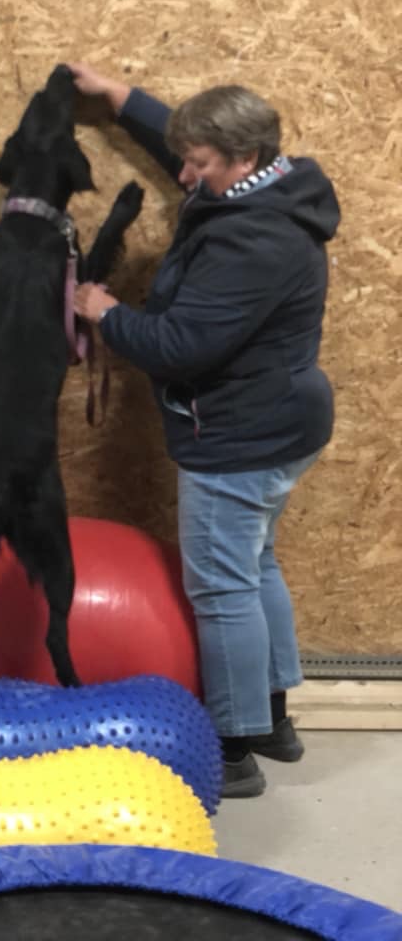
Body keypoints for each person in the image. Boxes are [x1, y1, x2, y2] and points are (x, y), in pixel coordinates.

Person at [69, 63, 340, 798]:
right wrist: (121, 98)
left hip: (240, 436)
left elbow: (179, 346)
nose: (185, 176)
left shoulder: (252, 241)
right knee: (255, 568)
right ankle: (273, 723)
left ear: (243, 159)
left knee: (223, 591)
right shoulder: (272, 184)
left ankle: (232, 752)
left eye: (198, 164)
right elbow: (185, 146)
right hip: (281, 419)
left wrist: (105, 312)